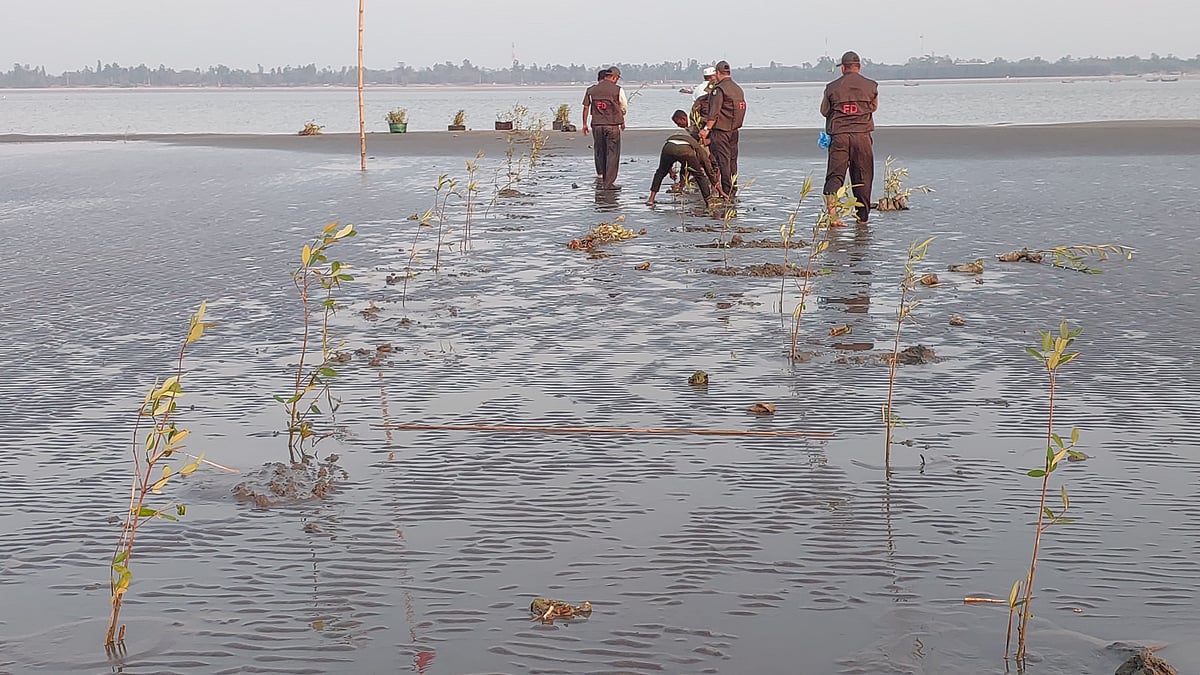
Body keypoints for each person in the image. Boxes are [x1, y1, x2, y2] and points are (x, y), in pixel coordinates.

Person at [821, 50, 878, 225]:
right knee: (863, 176)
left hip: (840, 136)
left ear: (843, 68)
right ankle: (863, 218)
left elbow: (824, 111)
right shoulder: (871, 86)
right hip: (862, 136)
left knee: (835, 175)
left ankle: (833, 216)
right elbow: (874, 107)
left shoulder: (831, 87)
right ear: (859, 67)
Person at [646, 110, 724, 206]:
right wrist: (719, 188)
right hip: (685, 149)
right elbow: (707, 166)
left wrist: (670, 172)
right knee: (699, 175)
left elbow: (665, 163)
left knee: (660, 172)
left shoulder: (691, 129)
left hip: (668, 145)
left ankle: (651, 199)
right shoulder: (699, 149)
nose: (677, 125)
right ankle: (709, 202)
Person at [697, 60, 746, 197]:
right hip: (734, 130)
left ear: (718, 73)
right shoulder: (737, 89)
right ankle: (733, 189)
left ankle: (726, 191)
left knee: (723, 161)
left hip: (721, 131)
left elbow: (714, 113)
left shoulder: (719, 90)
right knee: (732, 161)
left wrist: (706, 129)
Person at [581, 68, 626, 190]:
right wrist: (622, 120)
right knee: (612, 153)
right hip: (612, 125)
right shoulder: (617, 90)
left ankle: (601, 174)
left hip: (597, 125)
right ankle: (609, 183)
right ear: (614, 77)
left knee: (600, 151)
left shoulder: (591, 90)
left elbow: (586, 107)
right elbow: (623, 106)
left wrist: (584, 124)